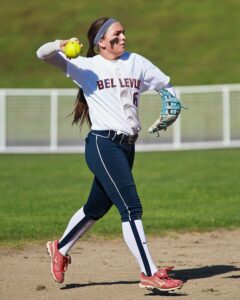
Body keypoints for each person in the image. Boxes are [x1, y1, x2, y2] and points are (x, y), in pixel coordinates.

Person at [36, 17, 183, 292]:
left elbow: (166, 85)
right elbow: (42, 54)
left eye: (124, 33)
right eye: (116, 35)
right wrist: (61, 44)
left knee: (96, 208)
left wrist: (172, 101)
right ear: (101, 42)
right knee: (131, 207)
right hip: (103, 144)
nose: (123, 38)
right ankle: (149, 272)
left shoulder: (136, 62)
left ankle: (60, 247)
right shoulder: (86, 66)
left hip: (127, 146)